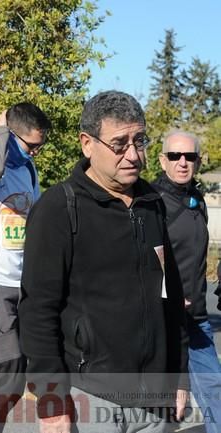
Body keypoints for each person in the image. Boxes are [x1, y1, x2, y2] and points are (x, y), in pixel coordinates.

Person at [19, 91, 189, 433]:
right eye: (119, 143)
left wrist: (179, 375)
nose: (132, 154)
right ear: (87, 144)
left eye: (139, 140)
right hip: (90, 398)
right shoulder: (58, 209)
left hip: (154, 399)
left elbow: (170, 297)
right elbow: (38, 311)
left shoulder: (151, 204)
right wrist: (52, 400)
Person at [0, 103, 51, 430]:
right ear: (9, 133)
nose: (35, 153)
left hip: (23, 285)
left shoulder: (28, 170)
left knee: (16, 376)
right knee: (3, 368)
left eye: (40, 146)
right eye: (30, 145)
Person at [152, 130, 221, 433]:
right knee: (164, 405)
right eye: (175, 156)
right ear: (162, 160)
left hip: (196, 320)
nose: (182, 162)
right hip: (163, 320)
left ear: (198, 161)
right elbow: (143, 258)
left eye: (190, 156)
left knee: (215, 391)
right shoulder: (151, 202)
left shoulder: (198, 202)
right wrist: (168, 293)